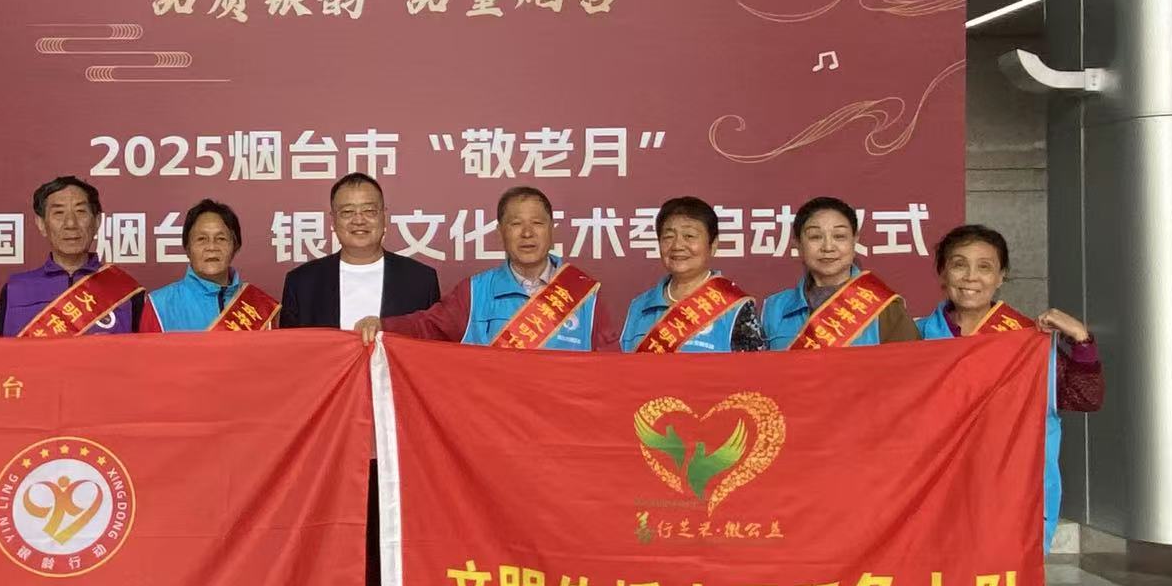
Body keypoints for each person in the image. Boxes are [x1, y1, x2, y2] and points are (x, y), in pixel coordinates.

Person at [916, 223, 1105, 552]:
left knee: (1000, 582)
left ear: (1001, 277)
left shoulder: (1025, 341)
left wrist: (1081, 339)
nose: (971, 277)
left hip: (1011, 494)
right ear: (942, 273)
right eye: (959, 265)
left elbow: (1085, 397)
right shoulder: (913, 338)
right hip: (934, 496)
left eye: (984, 267)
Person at [356, 185, 620, 350]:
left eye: (537, 223)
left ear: (552, 231)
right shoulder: (474, 292)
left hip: (561, 421)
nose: (527, 233)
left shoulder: (584, 293)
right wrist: (382, 325)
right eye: (516, 224)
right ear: (500, 233)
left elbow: (609, 366)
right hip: (496, 422)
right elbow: (427, 326)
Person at [279, 172, 441, 329]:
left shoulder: (421, 280)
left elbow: (431, 344)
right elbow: (291, 345)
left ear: (384, 217)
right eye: (347, 212)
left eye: (369, 211)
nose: (359, 220)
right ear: (333, 221)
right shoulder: (302, 283)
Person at [761, 196, 919, 350]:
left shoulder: (884, 306)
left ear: (855, 240)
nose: (828, 247)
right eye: (815, 237)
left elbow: (912, 364)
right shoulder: (774, 308)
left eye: (839, 236)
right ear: (798, 244)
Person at [0, 176, 144, 337]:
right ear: (41, 223)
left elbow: (142, 350)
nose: (71, 224)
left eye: (80, 212)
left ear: (97, 221)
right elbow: (2, 350)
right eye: (59, 213)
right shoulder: (15, 289)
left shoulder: (125, 290)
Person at [620, 197, 765, 353]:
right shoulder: (640, 306)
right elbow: (625, 366)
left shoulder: (734, 305)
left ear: (713, 245)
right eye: (668, 237)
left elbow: (752, 367)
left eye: (689, 236)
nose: (677, 245)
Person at [139, 199, 279, 332]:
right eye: (201, 239)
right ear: (187, 248)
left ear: (235, 246)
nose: (212, 247)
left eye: (221, 239)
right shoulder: (160, 306)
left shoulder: (260, 306)